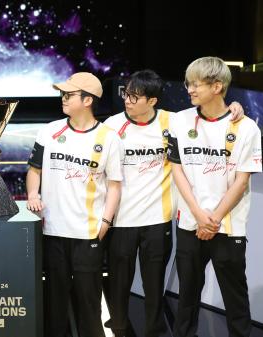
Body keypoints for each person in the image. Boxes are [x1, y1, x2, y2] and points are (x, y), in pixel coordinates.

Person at [103, 70, 245, 337]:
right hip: (121, 220)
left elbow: (213, 116)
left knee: (154, 286)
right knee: (119, 284)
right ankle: (118, 328)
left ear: (153, 100)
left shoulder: (174, 121)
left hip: (158, 220)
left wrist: (236, 107)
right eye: (126, 94)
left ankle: (154, 331)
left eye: (135, 96)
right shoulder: (111, 125)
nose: (128, 100)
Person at [167, 56, 262, 337]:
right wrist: (198, 215)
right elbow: (177, 170)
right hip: (190, 225)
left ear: (217, 86)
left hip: (228, 226)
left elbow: (242, 180)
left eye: (197, 84)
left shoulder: (246, 127)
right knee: (186, 299)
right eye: (189, 83)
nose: (190, 89)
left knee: (235, 300)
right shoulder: (180, 120)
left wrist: (214, 218)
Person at [26, 72, 123, 337]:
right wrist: (33, 194)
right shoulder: (49, 130)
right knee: (55, 302)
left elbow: (114, 184)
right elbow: (34, 170)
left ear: (88, 99)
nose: (63, 99)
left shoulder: (109, 138)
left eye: (69, 95)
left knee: (89, 302)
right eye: (63, 94)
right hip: (53, 231)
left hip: (88, 233)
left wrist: (106, 222)